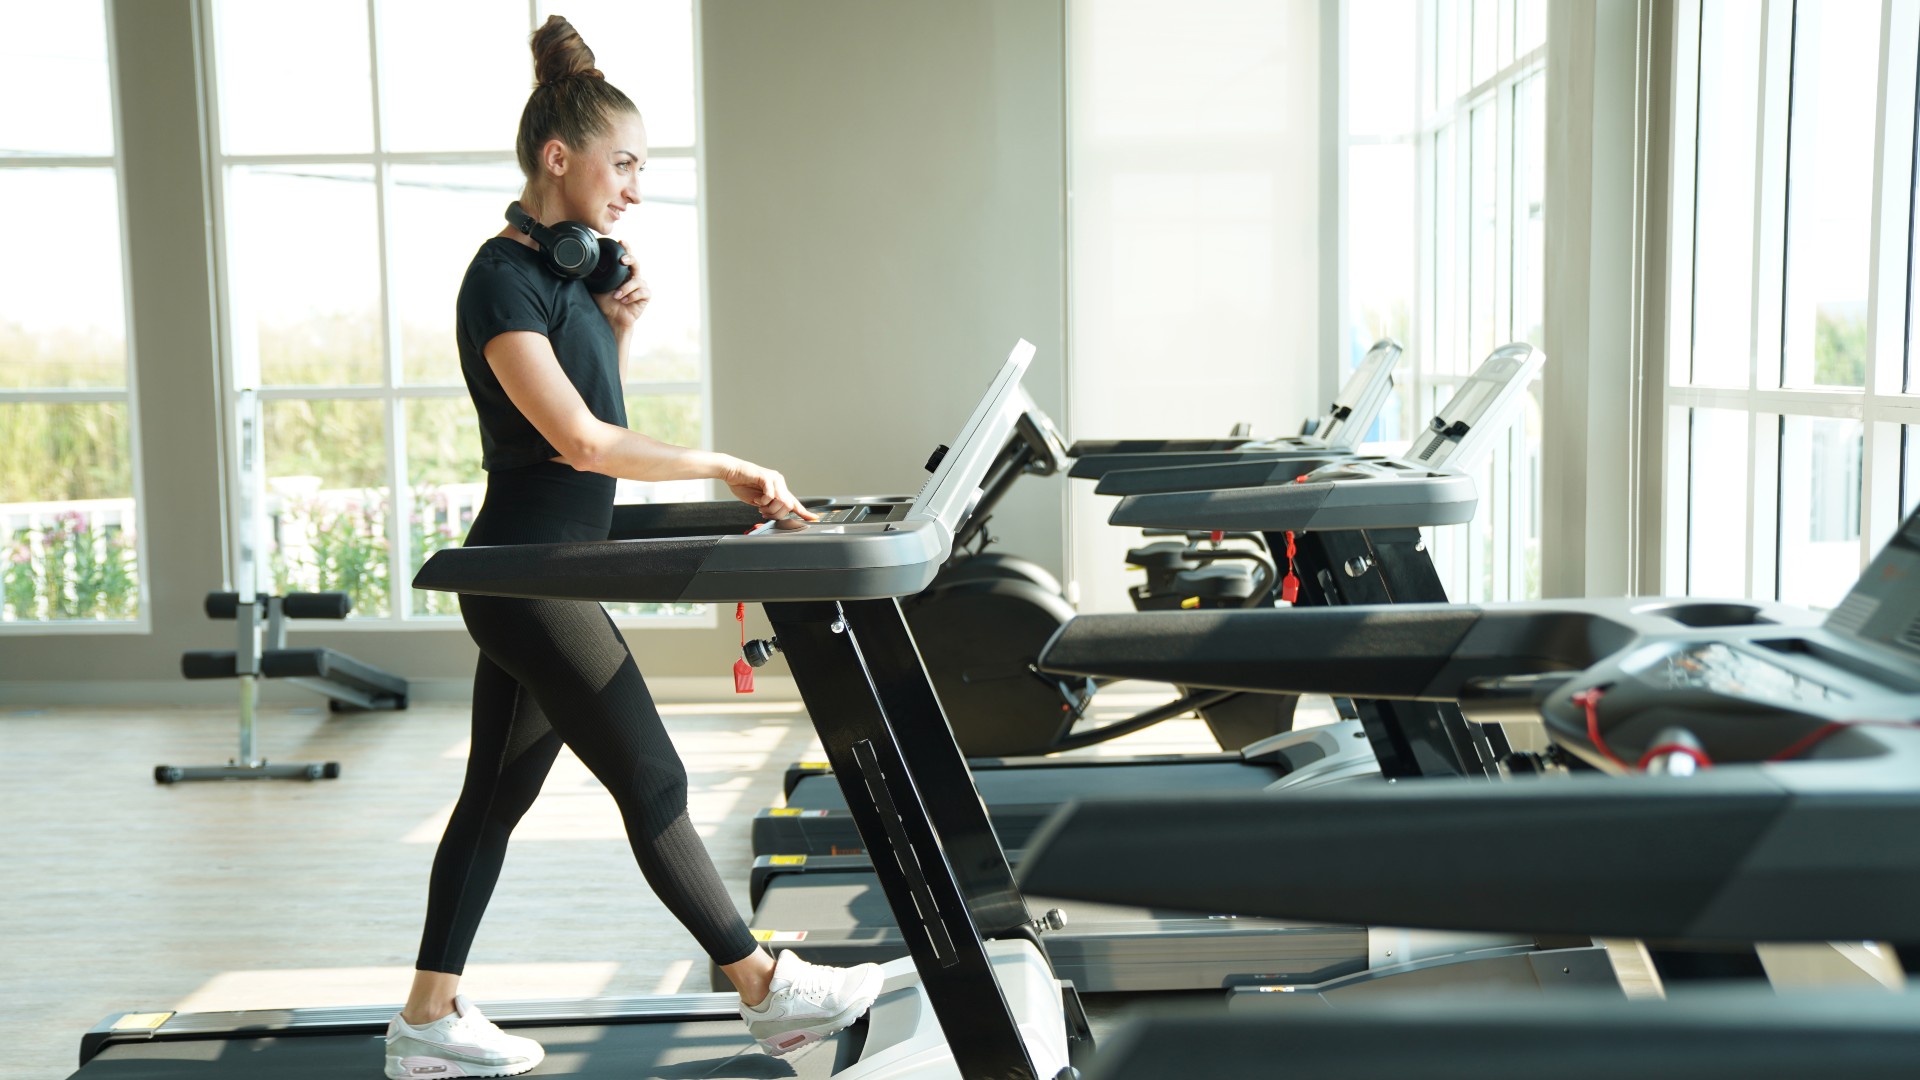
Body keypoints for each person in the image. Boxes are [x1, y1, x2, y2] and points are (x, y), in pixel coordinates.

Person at [383, 16, 881, 1080]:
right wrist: (720, 464)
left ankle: (428, 1020)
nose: (636, 190)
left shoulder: (568, 282)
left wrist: (615, 330)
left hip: (553, 563)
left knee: (492, 800)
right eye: (626, 165)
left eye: (643, 169)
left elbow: (588, 443)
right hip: (527, 577)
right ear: (557, 160)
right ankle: (767, 990)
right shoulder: (500, 281)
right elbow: (574, 443)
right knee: (652, 778)